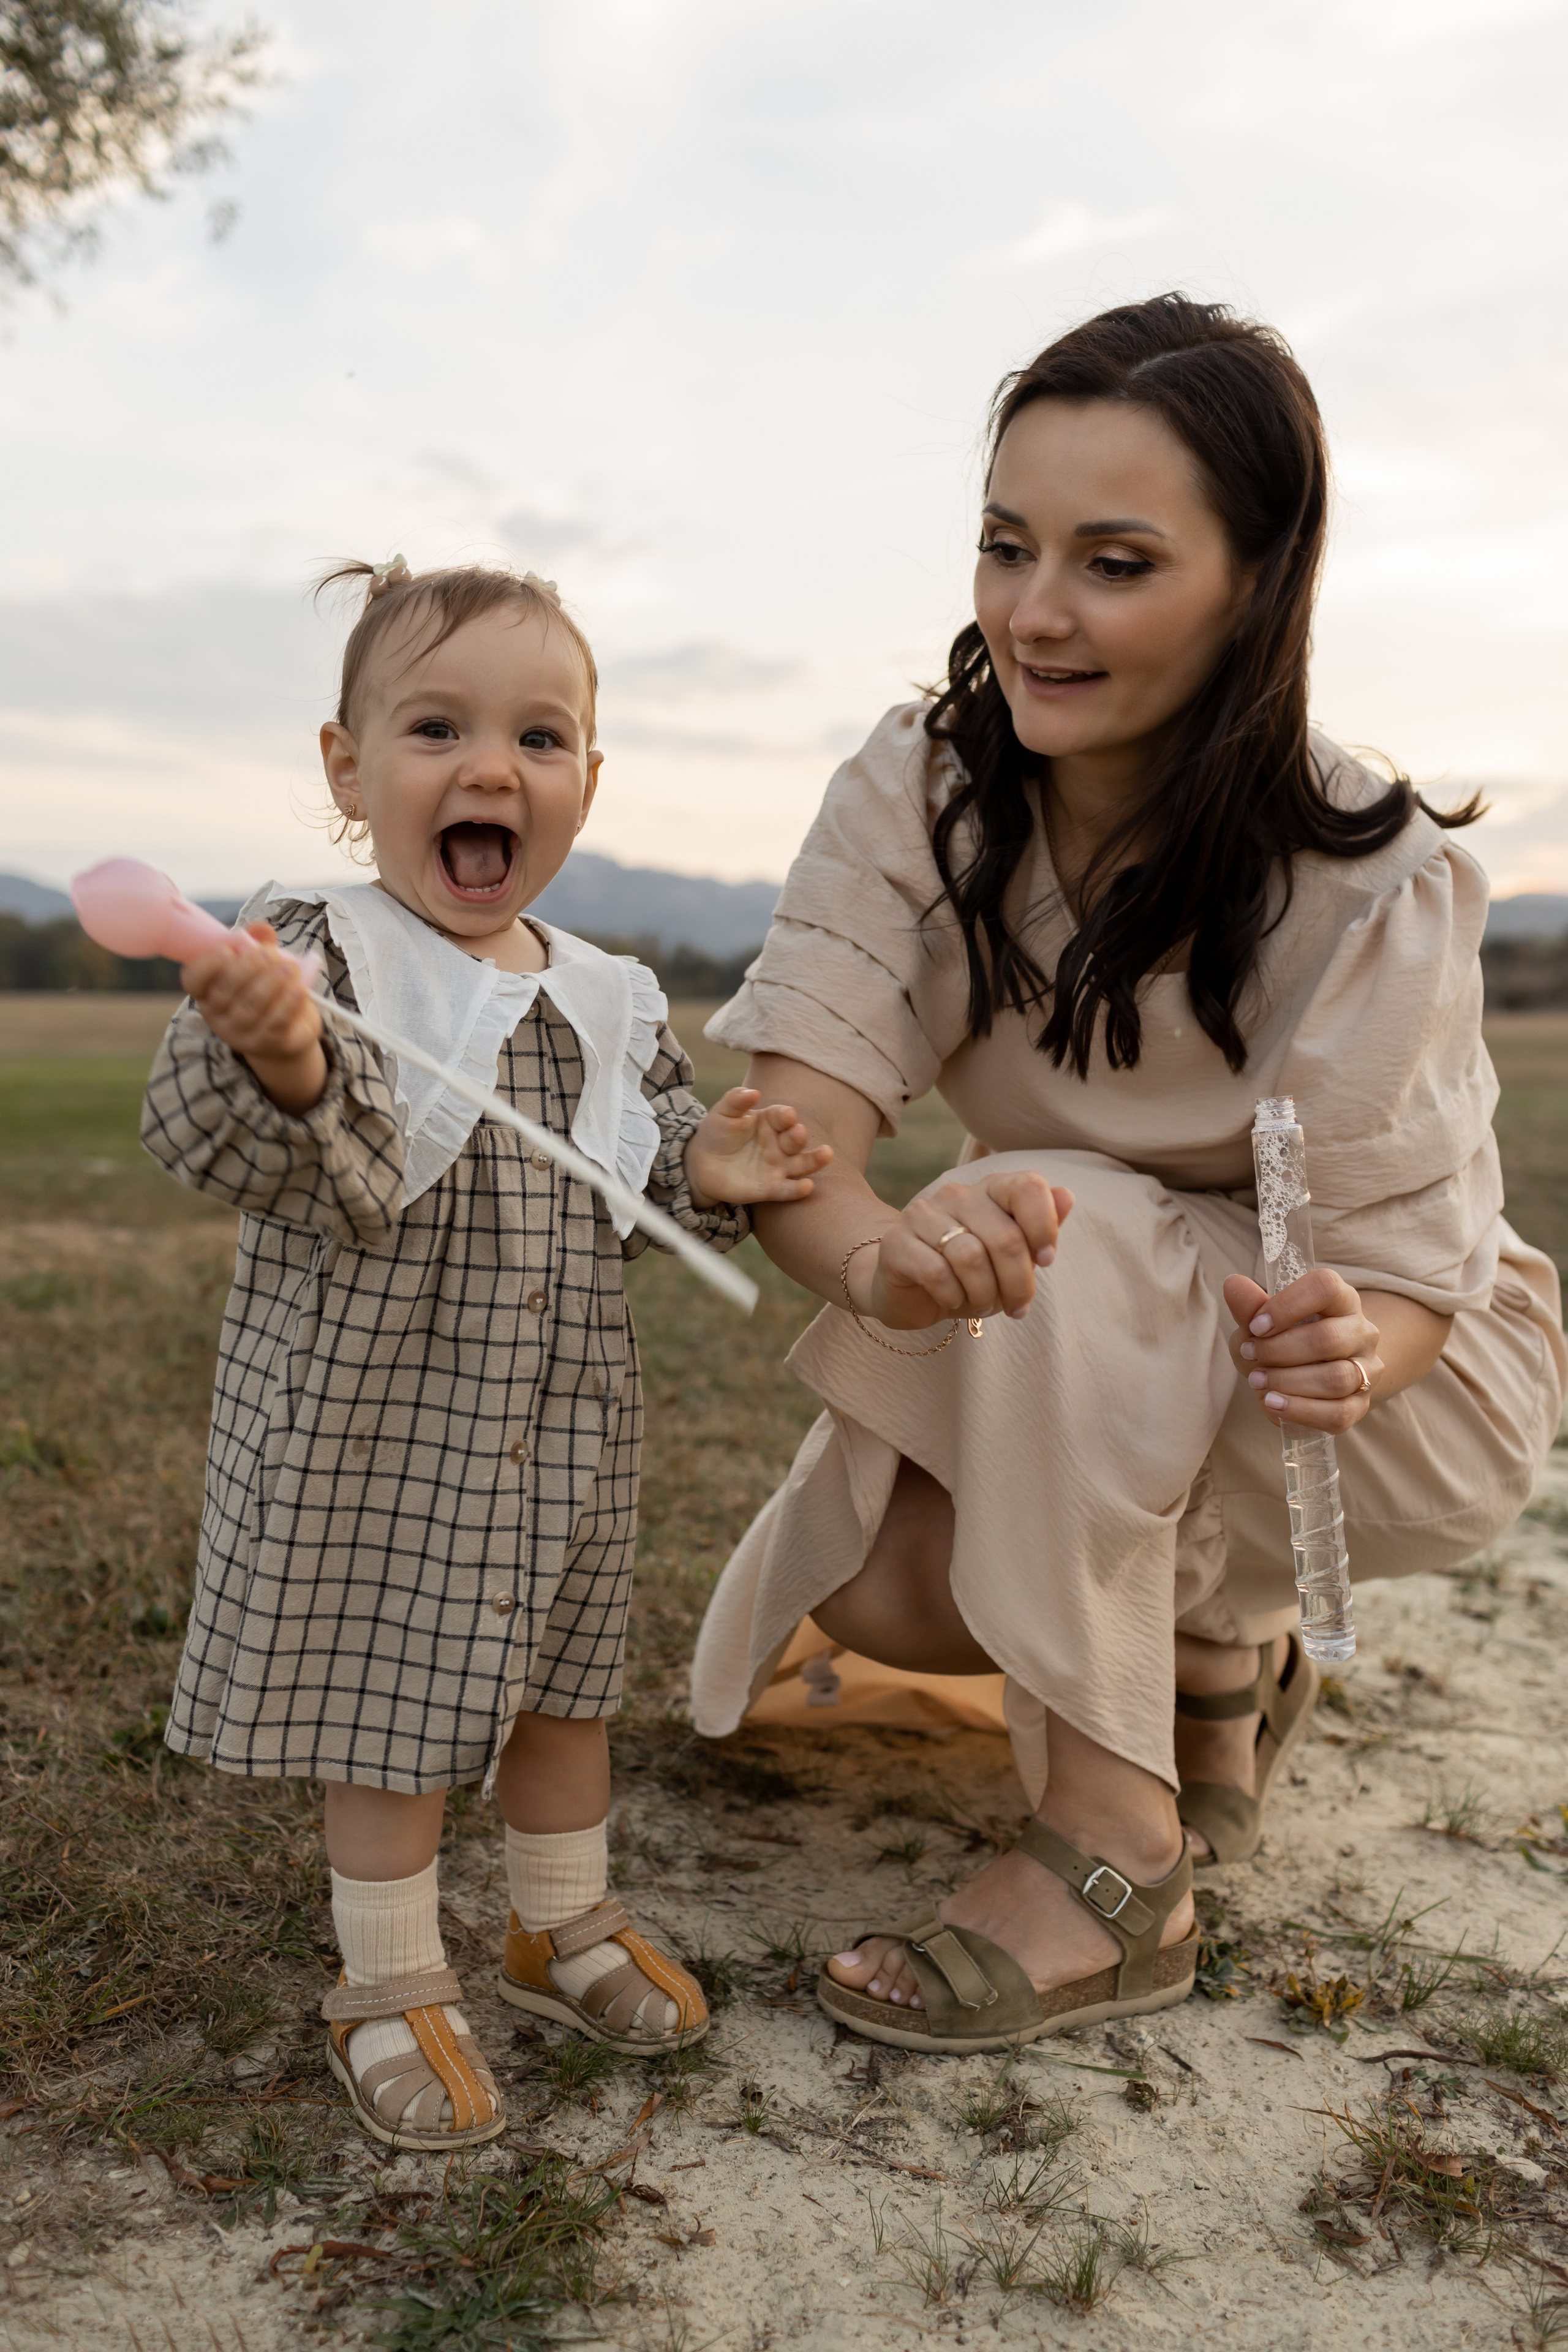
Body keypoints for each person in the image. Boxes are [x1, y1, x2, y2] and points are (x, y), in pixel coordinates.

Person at [689, 295, 1566, 2054]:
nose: (1035, 611)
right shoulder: (922, 793)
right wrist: (881, 1266)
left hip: (1391, 1387)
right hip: (1075, 1330)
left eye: (1115, 560)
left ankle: (1115, 1858)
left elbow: (1394, 1276)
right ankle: (1210, 1669)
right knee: (886, 1587)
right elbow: (800, 1151)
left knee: (1056, 1204)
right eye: (1008, 546)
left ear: (1257, 582)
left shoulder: (1365, 866)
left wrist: (1363, 1344)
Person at [141, 559, 831, 2147]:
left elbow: (637, 1169)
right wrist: (285, 1052)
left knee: (558, 1685)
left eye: (540, 737)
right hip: (382, 1423)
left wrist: (701, 1169)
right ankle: (386, 1978)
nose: (490, 769)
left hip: (563, 1425)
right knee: (390, 1698)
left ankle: (554, 1921)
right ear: (346, 767)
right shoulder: (319, 953)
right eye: (436, 726)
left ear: (589, 778)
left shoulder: (602, 994)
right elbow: (220, 1141)